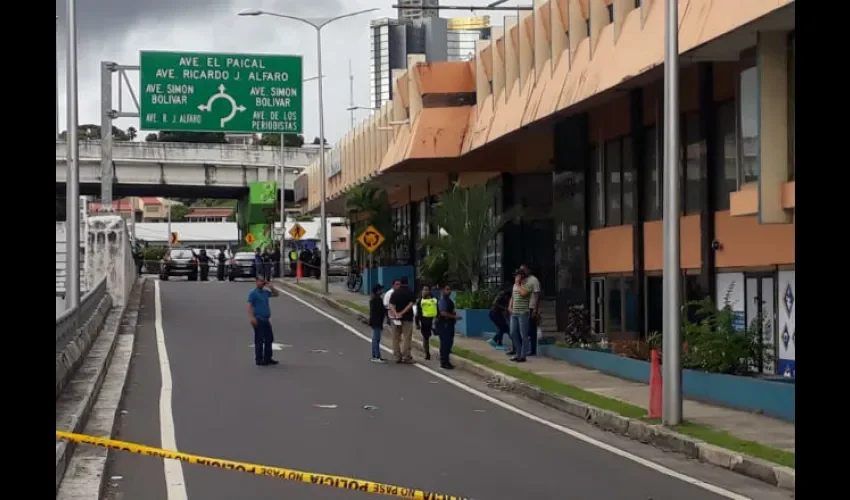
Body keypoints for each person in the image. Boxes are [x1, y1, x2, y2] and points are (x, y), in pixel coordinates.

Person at [247, 276, 280, 366]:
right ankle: (259, 359)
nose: (262, 283)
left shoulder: (265, 292)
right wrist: (252, 318)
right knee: (259, 339)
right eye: (260, 281)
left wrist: (272, 287)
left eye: (263, 281)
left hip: (266, 319)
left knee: (269, 338)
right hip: (258, 318)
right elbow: (249, 306)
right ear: (257, 282)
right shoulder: (253, 293)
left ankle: (268, 358)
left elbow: (276, 294)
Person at [388, 277, 416, 364]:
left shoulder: (395, 293)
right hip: (407, 318)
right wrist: (402, 313)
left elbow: (391, 305)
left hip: (396, 319)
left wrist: (396, 313)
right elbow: (410, 304)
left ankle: (397, 356)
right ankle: (406, 356)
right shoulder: (410, 292)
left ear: (401, 283)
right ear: (407, 283)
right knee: (406, 338)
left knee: (396, 338)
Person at [508, 269, 533, 362]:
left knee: (523, 335)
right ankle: (517, 353)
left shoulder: (528, 285)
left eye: (517, 276)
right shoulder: (515, 286)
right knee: (513, 333)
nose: (515, 277)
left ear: (522, 276)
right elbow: (513, 296)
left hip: (523, 313)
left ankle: (523, 356)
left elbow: (524, 293)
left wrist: (518, 284)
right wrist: (510, 305)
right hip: (514, 312)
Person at [436, 283, 462, 369]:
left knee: (449, 343)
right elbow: (443, 313)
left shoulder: (448, 300)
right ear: (442, 290)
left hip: (449, 324)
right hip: (444, 324)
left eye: (450, 289)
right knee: (445, 344)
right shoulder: (443, 300)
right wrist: (455, 317)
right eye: (447, 289)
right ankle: (444, 362)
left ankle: (446, 361)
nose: (449, 291)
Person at [520, 264, 542, 356]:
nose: (522, 272)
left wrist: (535, 310)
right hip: (523, 307)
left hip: (531, 307)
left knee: (531, 330)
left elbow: (537, 295)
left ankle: (533, 350)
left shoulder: (534, 280)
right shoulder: (523, 280)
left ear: (528, 270)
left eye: (523, 270)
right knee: (524, 329)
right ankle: (525, 348)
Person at [415, 285, 438, 360]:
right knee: (426, 338)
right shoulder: (420, 301)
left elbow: (437, 310)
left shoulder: (433, 300)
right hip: (424, 322)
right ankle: (427, 353)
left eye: (427, 290)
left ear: (429, 291)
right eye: (424, 290)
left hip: (433, 321)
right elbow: (418, 313)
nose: (425, 291)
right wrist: (417, 323)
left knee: (438, 336)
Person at [368, 284, 387, 363]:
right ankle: (376, 356)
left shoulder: (374, 299)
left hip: (374, 321)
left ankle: (375, 355)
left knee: (375, 339)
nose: (382, 291)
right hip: (377, 321)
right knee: (376, 339)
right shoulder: (377, 299)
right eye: (380, 290)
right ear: (377, 290)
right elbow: (381, 310)